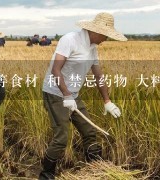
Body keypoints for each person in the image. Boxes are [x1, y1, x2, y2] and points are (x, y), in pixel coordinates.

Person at [40, 12, 127, 179]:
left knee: (89, 132)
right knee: (61, 138)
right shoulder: (70, 40)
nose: (106, 39)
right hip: (55, 93)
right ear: (96, 32)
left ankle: (94, 170)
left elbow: (98, 76)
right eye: (106, 35)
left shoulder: (93, 48)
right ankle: (46, 175)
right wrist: (66, 95)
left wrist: (107, 101)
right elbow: (55, 70)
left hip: (73, 95)